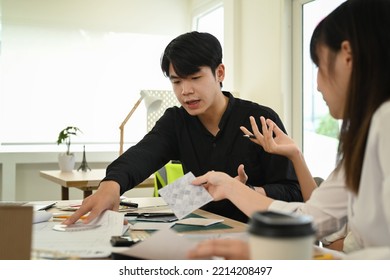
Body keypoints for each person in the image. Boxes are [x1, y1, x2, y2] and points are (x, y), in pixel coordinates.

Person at [188, 0, 390, 259]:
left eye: (319, 66)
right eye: (177, 81)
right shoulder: (366, 134)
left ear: (348, 56)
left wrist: (274, 254)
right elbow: (312, 218)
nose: (316, 85)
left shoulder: (383, 121)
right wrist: (229, 186)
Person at [64, 31, 301, 225]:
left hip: (259, 235)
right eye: (176, 81)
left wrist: (243, 190)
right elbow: (144, 154)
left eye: (195, 78)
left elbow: (295, 193)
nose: (185, 91)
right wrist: (111, 185)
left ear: (219, 73)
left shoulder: (259, 119)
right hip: (199, 230)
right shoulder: (177, 121)